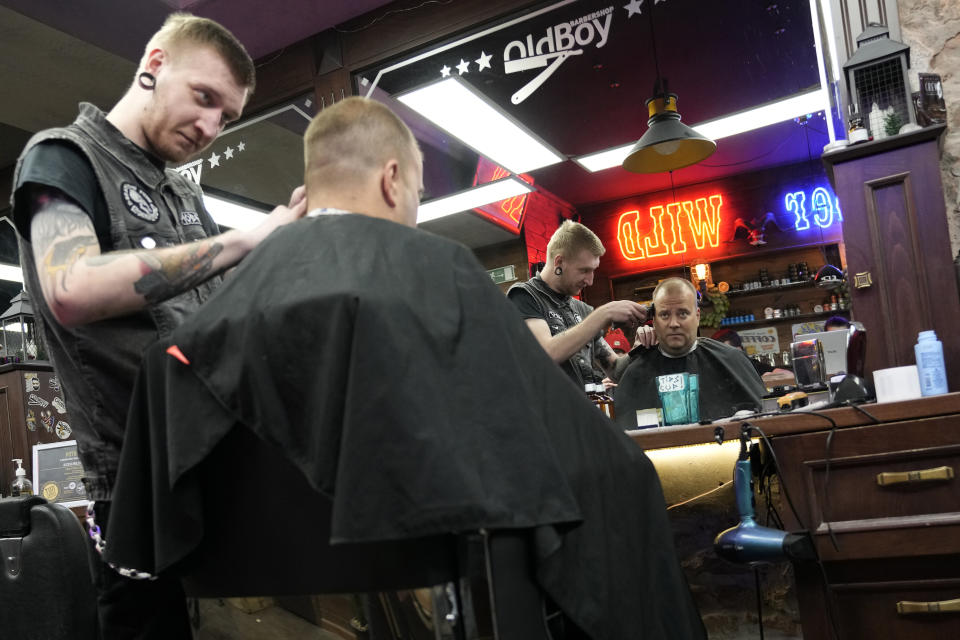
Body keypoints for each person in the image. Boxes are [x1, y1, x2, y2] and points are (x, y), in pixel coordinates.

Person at [102, 97, 706, 640]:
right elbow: (561, 458)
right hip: (449, 598)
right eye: (417, 193)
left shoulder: (191, 344)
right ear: (393, 180)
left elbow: (151, 546)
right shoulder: (441, 280)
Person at [10, 13, 307, 638]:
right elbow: (71, 288)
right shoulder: (63, 158)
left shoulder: (183, 195)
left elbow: (219, 316)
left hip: (218, 456)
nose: (210, 127)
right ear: (153, 64)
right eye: (204, 99)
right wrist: (243, 241)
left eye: (226, 117)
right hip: (138, 482)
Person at [507, 220, 652, 388]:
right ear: (559, 262)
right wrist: (604, 313)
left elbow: (616, 371)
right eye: (584, 270)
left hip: (582, 410)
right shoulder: (524, 296)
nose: (590, 281)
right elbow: (546, 353)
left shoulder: (582, 310)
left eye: (593, 270)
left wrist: (640, 349)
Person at [613, 277, 766, 427]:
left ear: (697, 316)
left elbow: (765, 421)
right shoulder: (637, 372)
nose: (674, 323)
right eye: (664, 315)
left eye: (683, 313)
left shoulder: (730, 359)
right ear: (654, 320)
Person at [711, 327, 794, 387]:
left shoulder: (751, 365)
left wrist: (764, 379)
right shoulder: (714, 372)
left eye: (725, 353)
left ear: (739, 350)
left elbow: (789, 375)